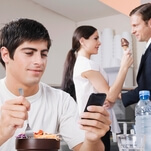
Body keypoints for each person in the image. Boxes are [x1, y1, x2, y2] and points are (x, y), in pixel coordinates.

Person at [0, 18, 111, 151]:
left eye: (43, 54)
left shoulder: (61, 101)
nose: (39, 61)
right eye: (29, 53)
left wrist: (92, 139)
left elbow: (84, 148)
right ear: (6, 55)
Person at [61, 25, 133, 151]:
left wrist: (112, 96)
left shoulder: (85, 64)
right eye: (95, 38)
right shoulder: (86, 65)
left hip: (96, 122)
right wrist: (124, 67)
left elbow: (109, 96)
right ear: (82, 41)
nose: (99, 43)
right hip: (95, 124)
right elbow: (110, 95)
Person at [121, 3, 151, 107]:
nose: (132, 31)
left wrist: (118, 96)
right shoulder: (148, 48)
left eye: (135, 25)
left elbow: (148, 88)